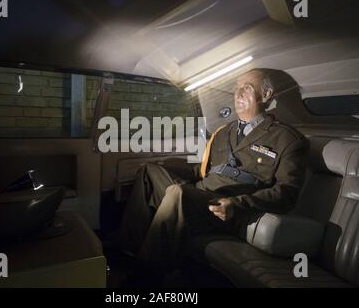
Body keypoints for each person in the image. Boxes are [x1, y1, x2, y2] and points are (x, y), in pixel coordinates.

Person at [116, 68, 310, 283]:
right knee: (149, 171)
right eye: (236, 89)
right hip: (199, 194)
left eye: (247, 88)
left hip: (226, 209)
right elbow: (202, 170)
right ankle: (129, 252)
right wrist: (166, 165)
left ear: (266, 95)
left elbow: (287, 193)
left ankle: (143, 278)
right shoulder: (223, 132)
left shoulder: (287, 139)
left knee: (178, 193)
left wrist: (238, 203)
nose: (238, 94)